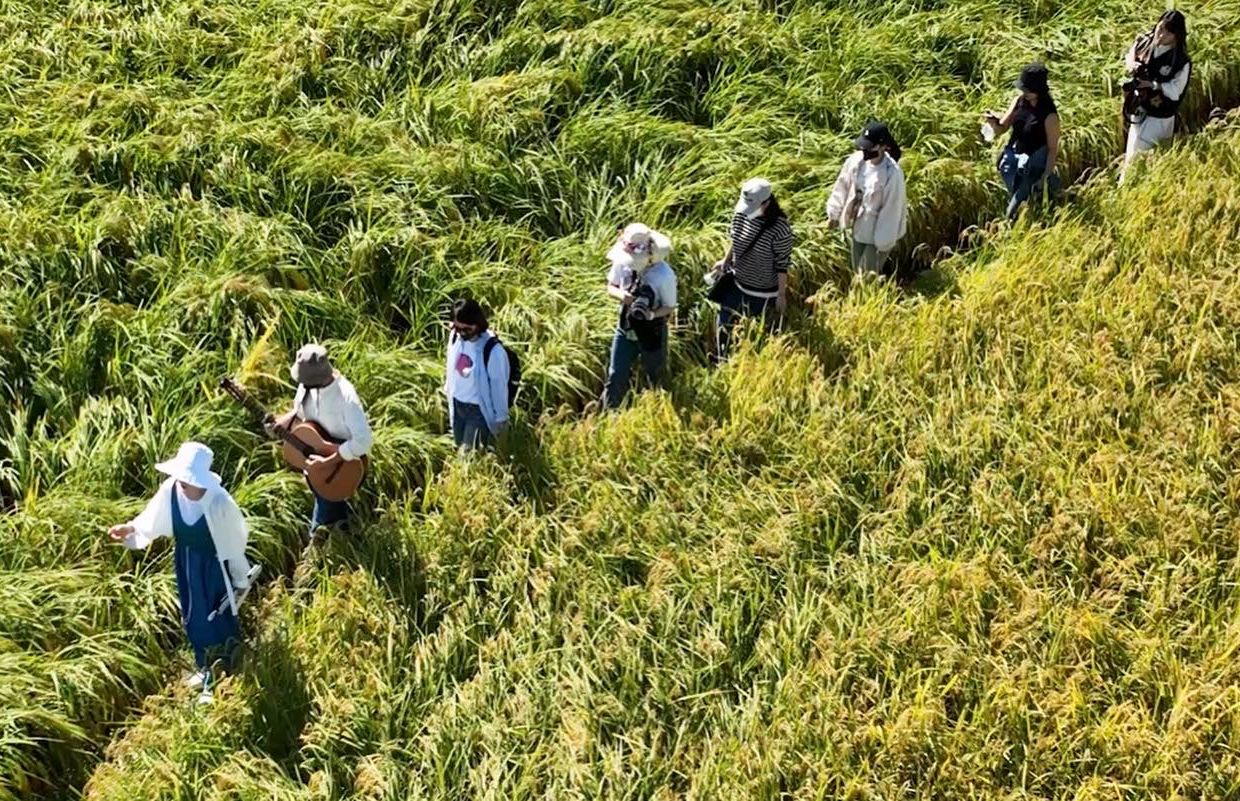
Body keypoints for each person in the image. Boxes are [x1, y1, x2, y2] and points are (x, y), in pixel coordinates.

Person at [106, 442, 254, 705]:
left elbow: (233, 543)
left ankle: (222, 671)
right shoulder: (172, 490)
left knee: (215, 616)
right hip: (186, 562)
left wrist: (240, 577)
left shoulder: (218, 502)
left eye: (188, 480)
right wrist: (129, 529)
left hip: (213, 566)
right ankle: (204, 665)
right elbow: (151, 518)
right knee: (192, 615)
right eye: (181, 479)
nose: (182, 485)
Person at [269, 344, 373, 544]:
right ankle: (347, 530)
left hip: (343, 463)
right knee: (331, 501)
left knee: (325, 507)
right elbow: (300, 413)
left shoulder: (346, 397)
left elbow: (363, 441)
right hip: (318, 460)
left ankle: (316, 547)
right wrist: (282, 423)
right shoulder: (306, 386)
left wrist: (326, 462)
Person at [709, 177, 795, 362]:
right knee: (724, 322)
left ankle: (752, 364)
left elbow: (782, 263)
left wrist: (781, 294)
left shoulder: (780, 228)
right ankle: (721, 359)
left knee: (758, 332)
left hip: (763, 293)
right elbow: (736, 240)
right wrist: (725, 261)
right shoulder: (740, 214)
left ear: (767, 203)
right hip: (737, 284)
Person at [602, 223, 677, 409]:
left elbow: (669, 307)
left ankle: (660, 410)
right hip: (625, 327)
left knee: (656, 375)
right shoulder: (622, 262)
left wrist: (651, 314)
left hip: (653, 331)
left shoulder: (664, 275)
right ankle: (609, 413)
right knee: (615, 374)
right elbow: (610, 286)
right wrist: (623, 296)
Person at [825, 121, 909, 279]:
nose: (866, 151)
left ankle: (865, 300)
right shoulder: (856, 162)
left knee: (867, 275)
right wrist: (833, 214)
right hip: (858, 225)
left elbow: (892, 209)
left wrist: (883, 242)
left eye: (870, 147)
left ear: (883, 146)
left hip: (879, 228)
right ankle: (860, 300)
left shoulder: (892, 173)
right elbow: (842, 186)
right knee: (856, 269)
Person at [983, 63, 1061, 221]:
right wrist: (993, 123)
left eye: (1027, 90)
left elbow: (1052, 148)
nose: (1023, 92)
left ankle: (1012, 231)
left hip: (1033, 167)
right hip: (1013, 162)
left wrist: (1045, 176)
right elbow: (1003, 127)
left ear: (1038, 90)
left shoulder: (1049, 115)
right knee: (1020, 202)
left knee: (1013, 212)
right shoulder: (1019, 101)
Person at [1120, 10, 1190, 183]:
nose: (1162, 34)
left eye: (1168, 32)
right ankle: (1126, 187)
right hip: (1138, 107)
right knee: (1133, 150)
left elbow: (1176, 90)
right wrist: (1132, 64)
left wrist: (1154, 85)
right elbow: (1130, 54)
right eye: (1161, 28)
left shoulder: (1181, 61)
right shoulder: (1144, 41)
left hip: (1160, 116)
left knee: (1147, 155)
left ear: (1176, 36)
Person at [444, 299, 512, 452]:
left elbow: (498, 386)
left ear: (477, 323)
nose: (461, 333)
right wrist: (448, 389)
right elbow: (450, 365)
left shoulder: (492, 350)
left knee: (467, 457)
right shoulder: (455, 337)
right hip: (457, 404)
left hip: (477, 411)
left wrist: (501, 418)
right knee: (459, 446)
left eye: (466, 329)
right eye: (457, 327)